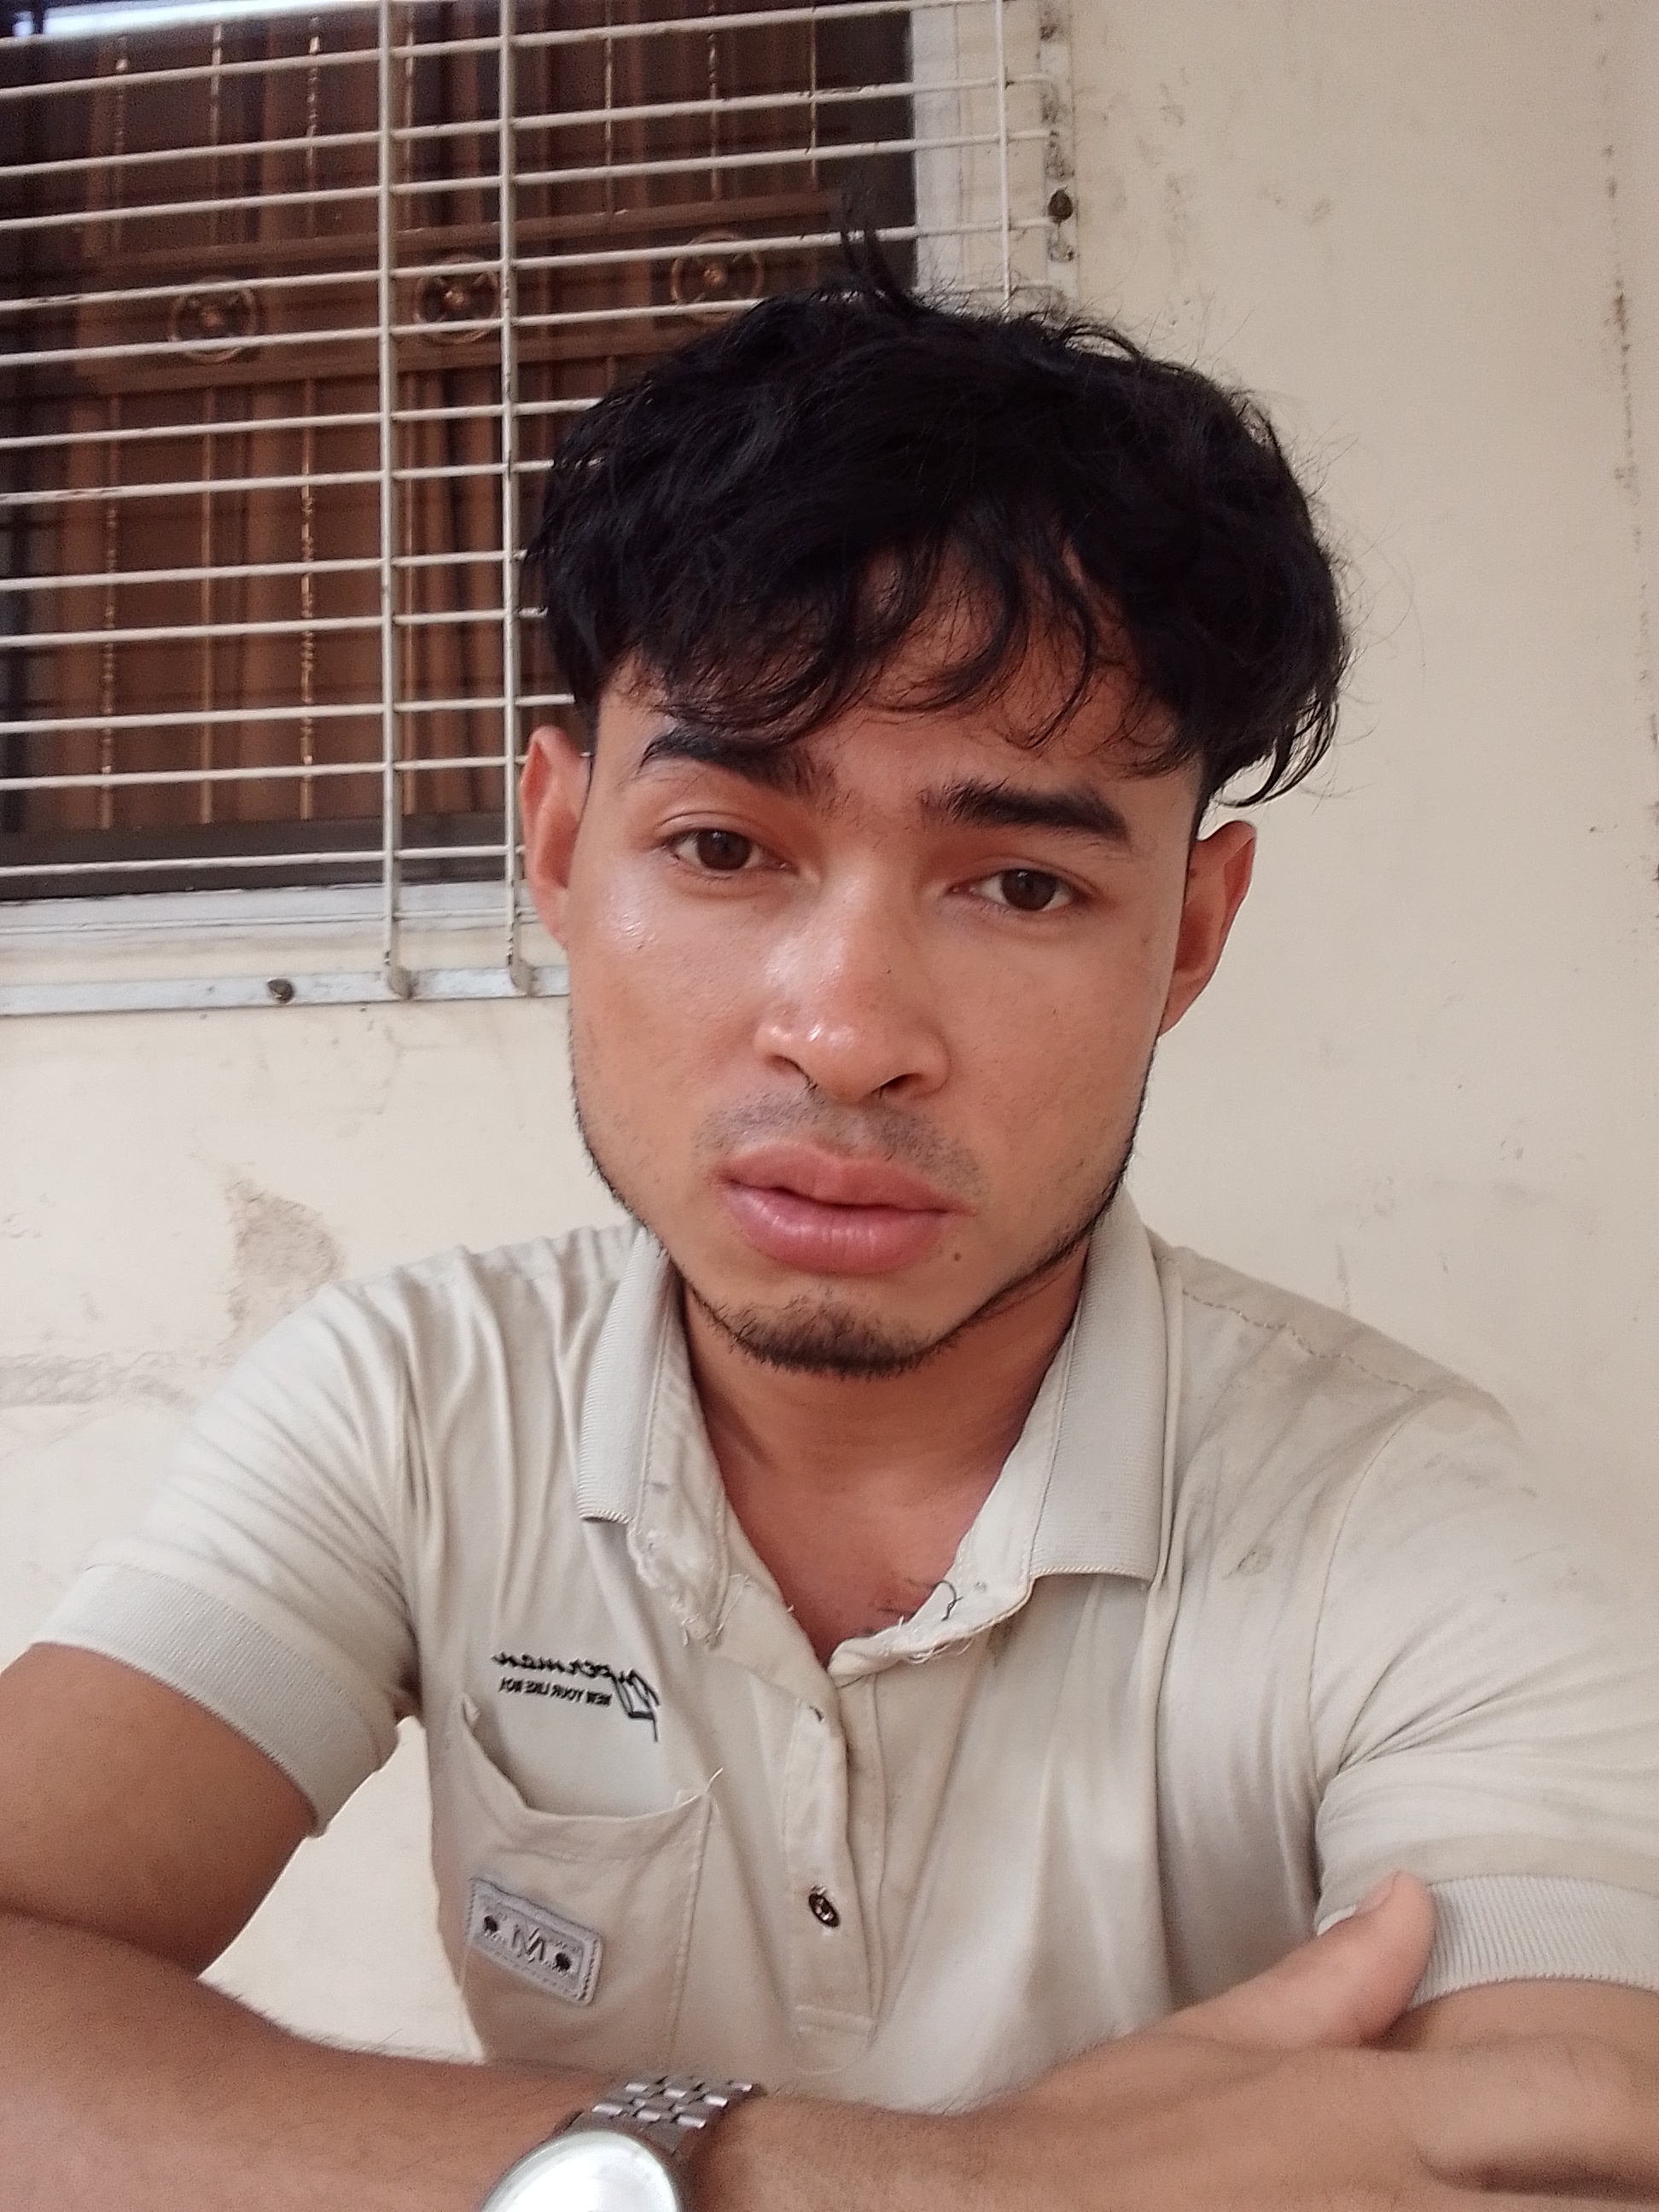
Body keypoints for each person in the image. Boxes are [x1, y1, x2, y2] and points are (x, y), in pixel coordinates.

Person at [3, 263, 1658, 2212]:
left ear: (1191, 936)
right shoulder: (416, 1407)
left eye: (1021, 884)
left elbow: (1570, 2139)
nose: (849, 1030)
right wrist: (938, 2190)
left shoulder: (1395, 1511)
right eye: (722, 847)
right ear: (560, 845)